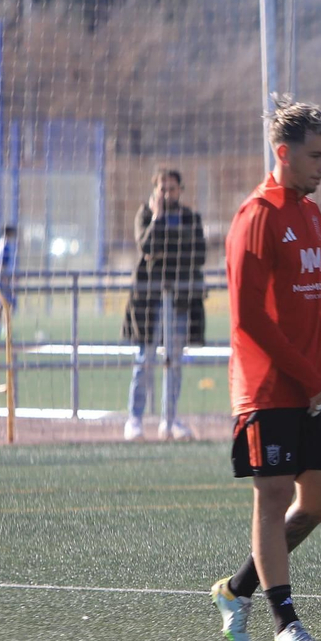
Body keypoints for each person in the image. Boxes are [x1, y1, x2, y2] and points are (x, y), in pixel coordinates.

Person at [210, 101, 321, 641]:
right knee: (274, 496)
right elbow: (249, 318)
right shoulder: (255, 217)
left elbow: (317, 306)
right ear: (282, 152)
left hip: (313, 384)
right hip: (267, 390)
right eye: (315, 156)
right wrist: (307, 375)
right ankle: (284, 622)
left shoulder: (311, 214)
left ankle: (236, 587)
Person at [123, 168, 207, 441]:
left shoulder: (190, 217)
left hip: (180, 299)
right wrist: (158, 220)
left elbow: (198, 252)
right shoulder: (145, 215)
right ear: (155, 190)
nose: (168, 194)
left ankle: (169, 420)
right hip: (149, 300)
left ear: (180, 190)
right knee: (144, 358)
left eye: (172, 189)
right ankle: (135, 419)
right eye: (163, 189)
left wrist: (167, 246)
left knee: (174, 361)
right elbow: (146, 245)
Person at [0, 225, 18, 315]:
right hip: (4, 276)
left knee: (1, 301)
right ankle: (4, 324)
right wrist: (6, 278)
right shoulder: (5, 245)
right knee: (6, 301)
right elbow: (4, 262)